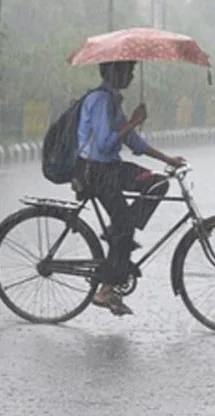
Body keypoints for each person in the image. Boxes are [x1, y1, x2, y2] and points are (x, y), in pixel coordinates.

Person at [73, 60, 185, 316]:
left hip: (111, 167)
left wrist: (166, 159)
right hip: (96, 171)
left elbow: (132, 141)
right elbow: (103, 143)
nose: (132, 76)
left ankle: (118, 236)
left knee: (157, 183)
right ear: (115, 72)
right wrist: (133, 121)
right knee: (125, 227)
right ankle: (106, 289)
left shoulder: (112, 101)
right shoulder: (101, 101)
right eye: (128, 71)